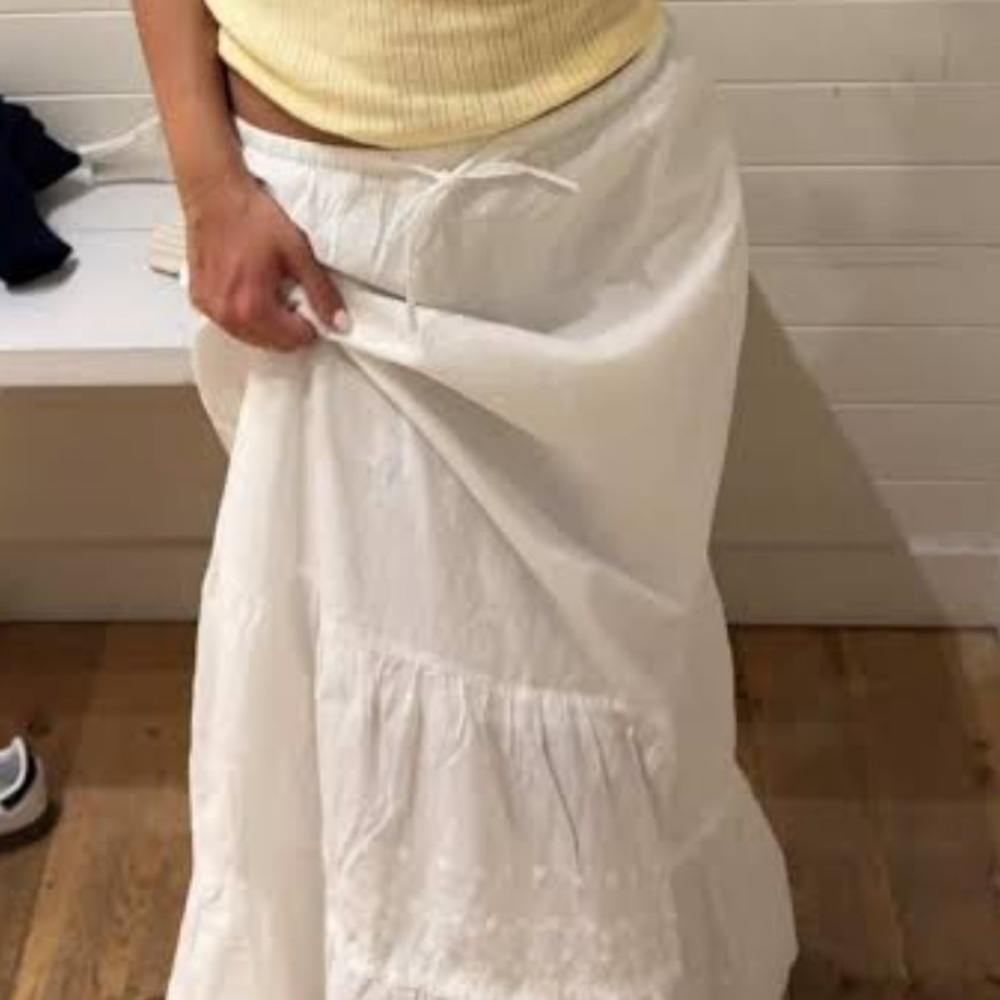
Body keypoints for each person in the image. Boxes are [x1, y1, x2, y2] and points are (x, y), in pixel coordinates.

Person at [130, 0, 800, 997]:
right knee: (391, 677)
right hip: (338, 236)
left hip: (606, 193)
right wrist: (207, 184)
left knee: (602, 664)